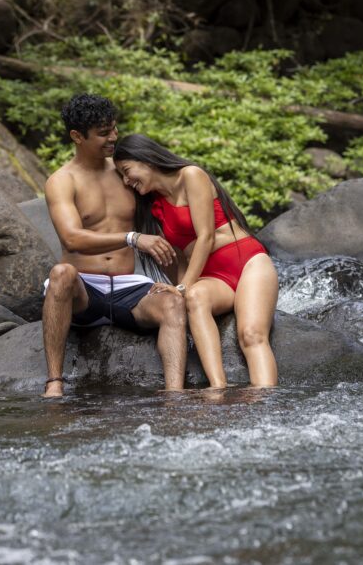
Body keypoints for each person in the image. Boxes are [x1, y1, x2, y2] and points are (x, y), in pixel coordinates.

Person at [41, 95, 188, 397]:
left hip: (128, 288)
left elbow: (171, 215)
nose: (114, 138)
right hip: (84, 289)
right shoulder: (62, 180)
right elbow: (72, 238)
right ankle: (55, 383)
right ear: (77, 136)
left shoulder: (126, 172)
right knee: (60, 273)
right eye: (104, 133)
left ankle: (175, 396)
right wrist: (131, 238)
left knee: (172, 302)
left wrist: (182, 284)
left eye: (114, 129)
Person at [113, 134, 278, 388]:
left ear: (145, 159)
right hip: (213, 277)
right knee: (194, 297)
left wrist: (182, 286)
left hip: (248, 262)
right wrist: (179, 291)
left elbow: (206, 237)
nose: (126, 181)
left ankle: (266, 403)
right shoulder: (155, 207)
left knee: (251, 335)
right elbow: (179, 258)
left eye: (127, 171)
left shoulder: (190, 175)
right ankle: (217, 387)